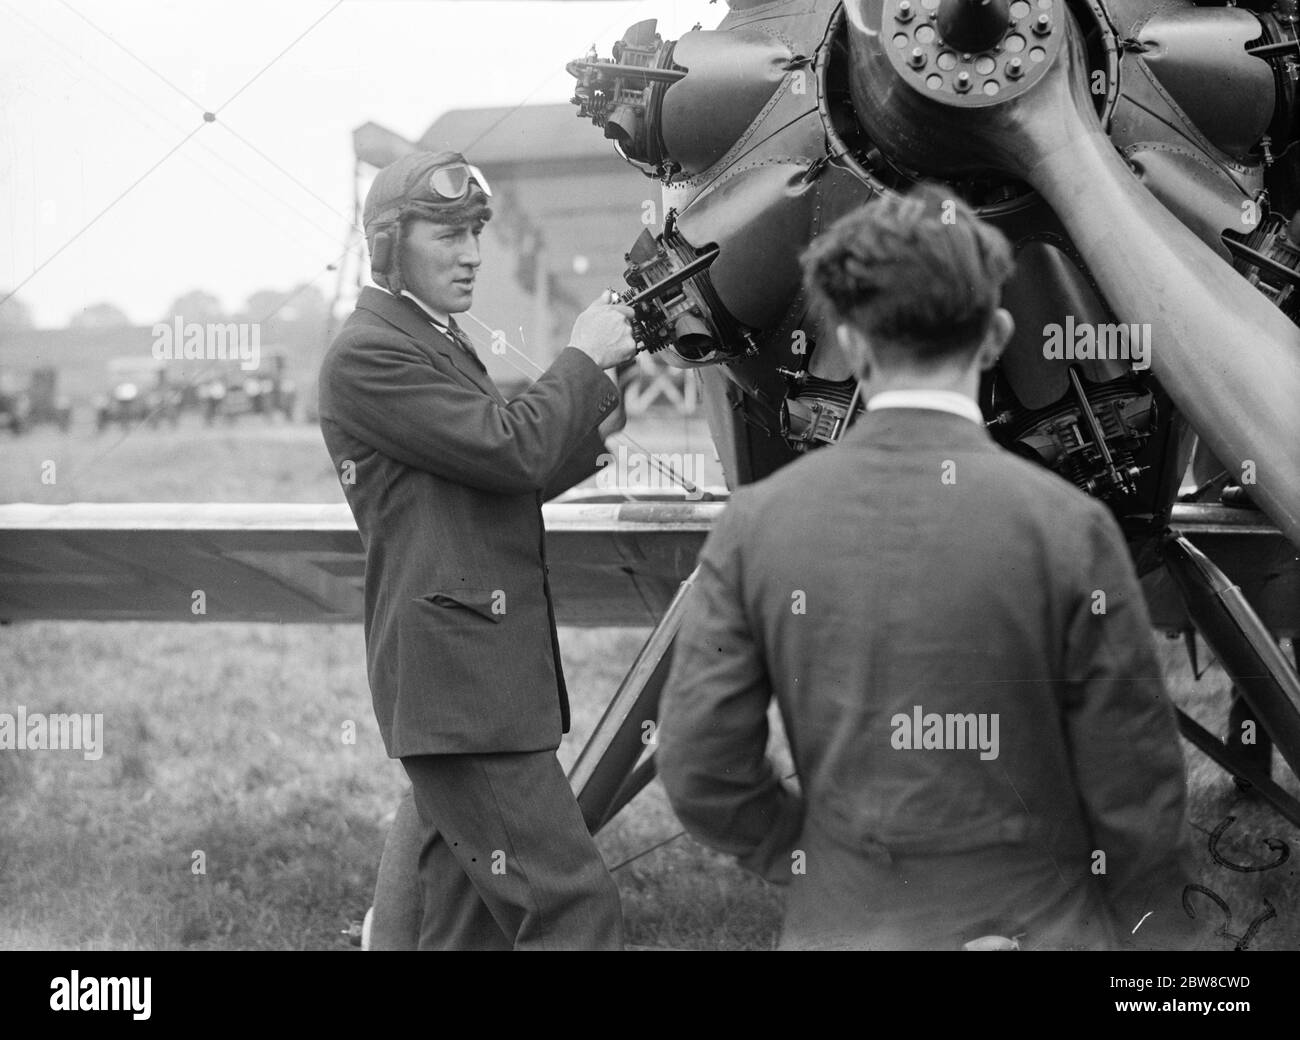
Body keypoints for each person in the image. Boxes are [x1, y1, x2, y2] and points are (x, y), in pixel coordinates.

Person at [655, 183, 1201, 951]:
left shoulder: (756, 527)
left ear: (849, 337)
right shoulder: (1070, 528)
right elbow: (1137, 792)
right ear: (996, 335)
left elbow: (700, 768)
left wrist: (817, 862)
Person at [318, 150, 633, 950]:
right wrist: (581, 360)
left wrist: (596, 411)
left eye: (475, 235)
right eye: (448, 235)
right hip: (464, 695)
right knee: (573, 914)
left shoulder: (429, 338)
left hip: (467, 690)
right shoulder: (370, 352)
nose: (471, 255)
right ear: (389, 245)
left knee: (454, 933)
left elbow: (496, 481)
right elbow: (507, 449)